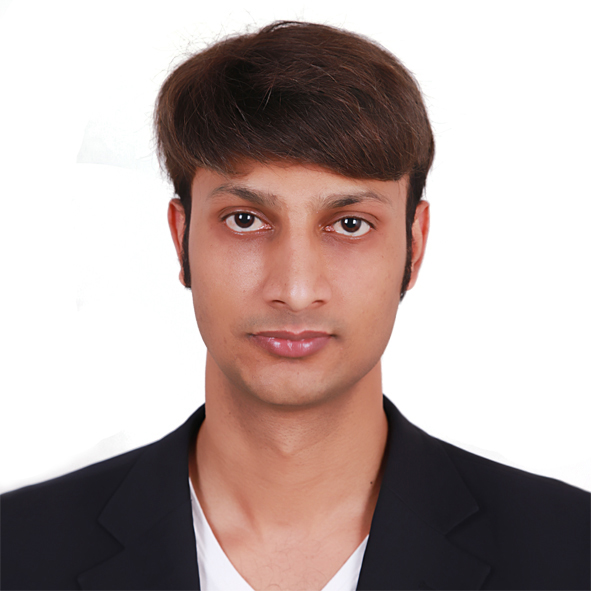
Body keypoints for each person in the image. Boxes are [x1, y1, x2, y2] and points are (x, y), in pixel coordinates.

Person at [1, 20, 589, 591]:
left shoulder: (572, 551)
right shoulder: (16, 550)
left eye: (350, 224)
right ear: (182, 239)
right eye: (245, 220)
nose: (297, 288)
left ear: (414, 245)